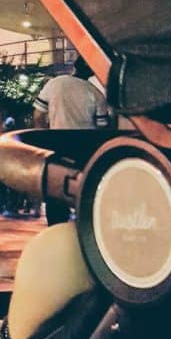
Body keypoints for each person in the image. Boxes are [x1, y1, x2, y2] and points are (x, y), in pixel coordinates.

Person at [33, 55, 112, 224]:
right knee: (83, 187)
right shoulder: (95, 93)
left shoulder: (55, 83)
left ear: (74, 66)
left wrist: (43, 135)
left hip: (56, 141)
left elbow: (38, 114)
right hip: (84, 145)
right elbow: (102, 126)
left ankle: (56, 226)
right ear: (91, 72)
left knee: (54, 185)